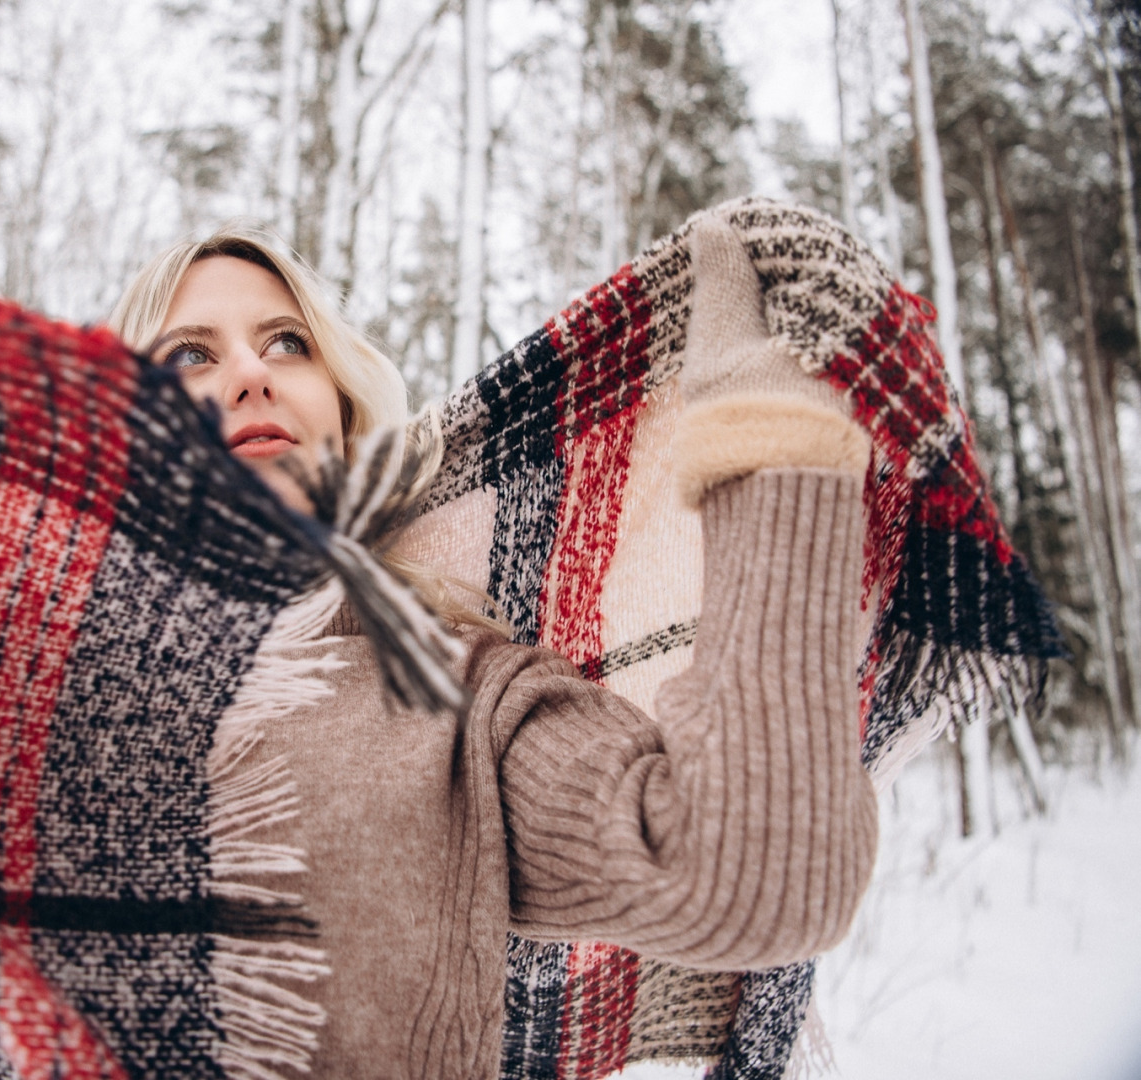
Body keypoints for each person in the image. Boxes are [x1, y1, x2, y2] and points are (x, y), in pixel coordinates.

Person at [107, 224, 881, 1076]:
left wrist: (766, 445)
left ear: (343, 413)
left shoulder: (450, 701)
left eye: (287, 343)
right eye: (188, 357)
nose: (251, 375)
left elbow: (754, 876)